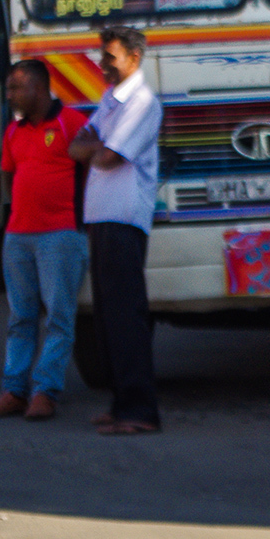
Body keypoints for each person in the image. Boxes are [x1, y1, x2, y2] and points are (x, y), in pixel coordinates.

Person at [0, 61, 90, 421]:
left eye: (15, 88)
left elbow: (93, 172)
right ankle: (14, 391)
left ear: (39, 89)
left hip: (60, 235)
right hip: (18, 236)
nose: (9, 95)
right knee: (20, 318)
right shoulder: (13, 131)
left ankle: (45, 392)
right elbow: (11, 179)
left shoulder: (71, 123)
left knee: (59, 318)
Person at [69, 26, 162, 435]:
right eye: (102, 56)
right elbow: (76, 146)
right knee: (107, 319)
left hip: (125, 220)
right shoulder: (110, 100)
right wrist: (93, 147)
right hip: (102, 219)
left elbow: (106, 157)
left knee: (126, 318)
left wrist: (94, 147)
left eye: (110, 56)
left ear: (134, 58)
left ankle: (139, 412)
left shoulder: (142, 103)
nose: (102, 64)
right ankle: (120, 402)